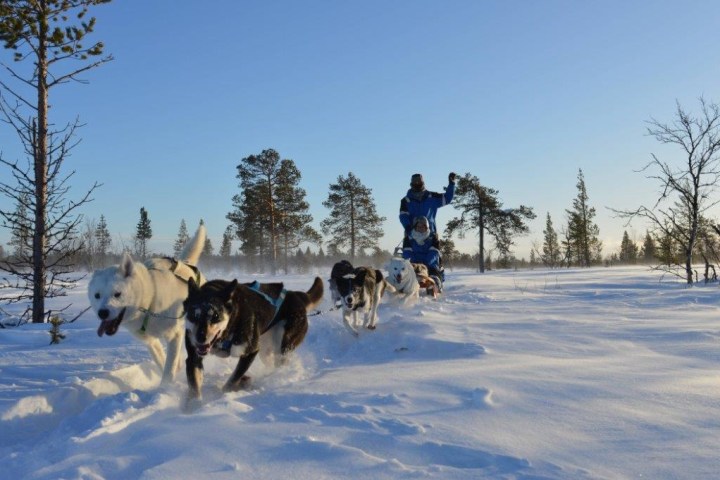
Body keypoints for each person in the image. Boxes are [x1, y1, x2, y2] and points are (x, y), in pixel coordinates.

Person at [399, 172, 456, 236]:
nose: (417, 184)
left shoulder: (432, 196)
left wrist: (452, 184)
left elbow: (447, 198)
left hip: (430, 235)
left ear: (423, 183)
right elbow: (403, 216)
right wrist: (407, 227)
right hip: (412, 236)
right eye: (415, 183)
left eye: (419, 183)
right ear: (411, 184)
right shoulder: (406, 201)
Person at [402, 216, 444, 292]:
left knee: (434, 274)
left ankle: (434, 285)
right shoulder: (409, 239)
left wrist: (425, 264)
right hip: (414, 265)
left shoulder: (433, 238)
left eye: (423, 226)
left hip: (430, 265)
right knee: (405, 274)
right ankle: (404, 287)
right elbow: (407, 253)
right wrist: (415, 265)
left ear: (427, 227)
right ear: (415, 227)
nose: (421, 228)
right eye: (419, 226)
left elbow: (434, 253)